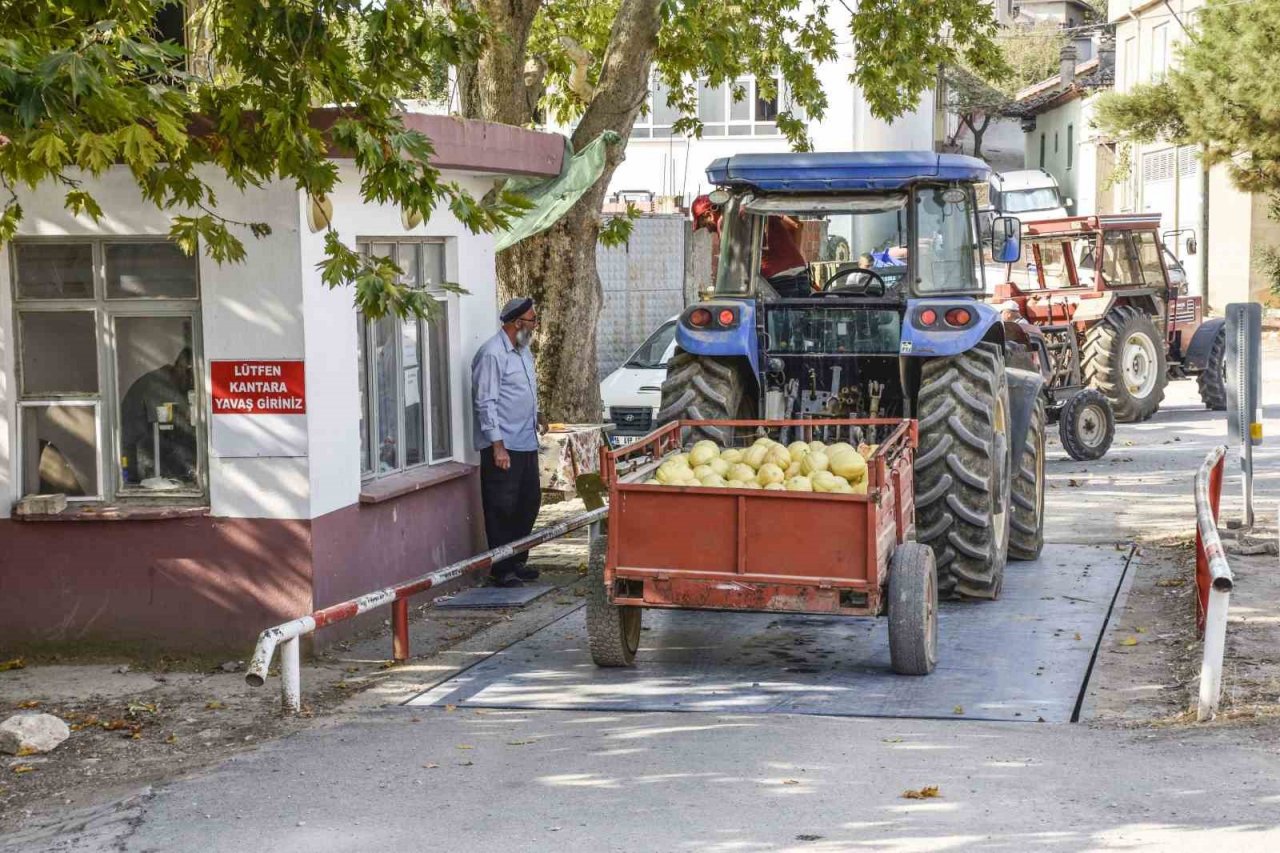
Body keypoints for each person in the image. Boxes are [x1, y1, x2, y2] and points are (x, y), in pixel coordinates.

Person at [472, 298, 545, 587]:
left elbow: (524, 390)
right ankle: (501, 568)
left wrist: (537, 414)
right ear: (517, 323)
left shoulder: (523, 352)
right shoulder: (492, 354)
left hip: (526, 439)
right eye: (532, 320)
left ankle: (517, 560)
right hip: (504, 445)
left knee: (529, 502)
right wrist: (497, 446)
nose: (535, 325)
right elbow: (485, 402)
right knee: (502, 507)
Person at [691, 195, 811, 296]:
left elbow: (732, 265)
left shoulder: (726, 222)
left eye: (704, 225)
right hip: (801, 273)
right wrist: (790, 259)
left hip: (778, 281)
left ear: (709, 215)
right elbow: (796, 226)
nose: (708, 230)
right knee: (803, 321)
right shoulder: (756, 208)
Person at [120, 347, 197, 486]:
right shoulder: (158, 384)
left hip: (148, 450)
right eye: (191, 377)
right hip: (137, 454)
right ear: (181, 368)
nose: (192, 383)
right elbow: (168, 430)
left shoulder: (171, 382)